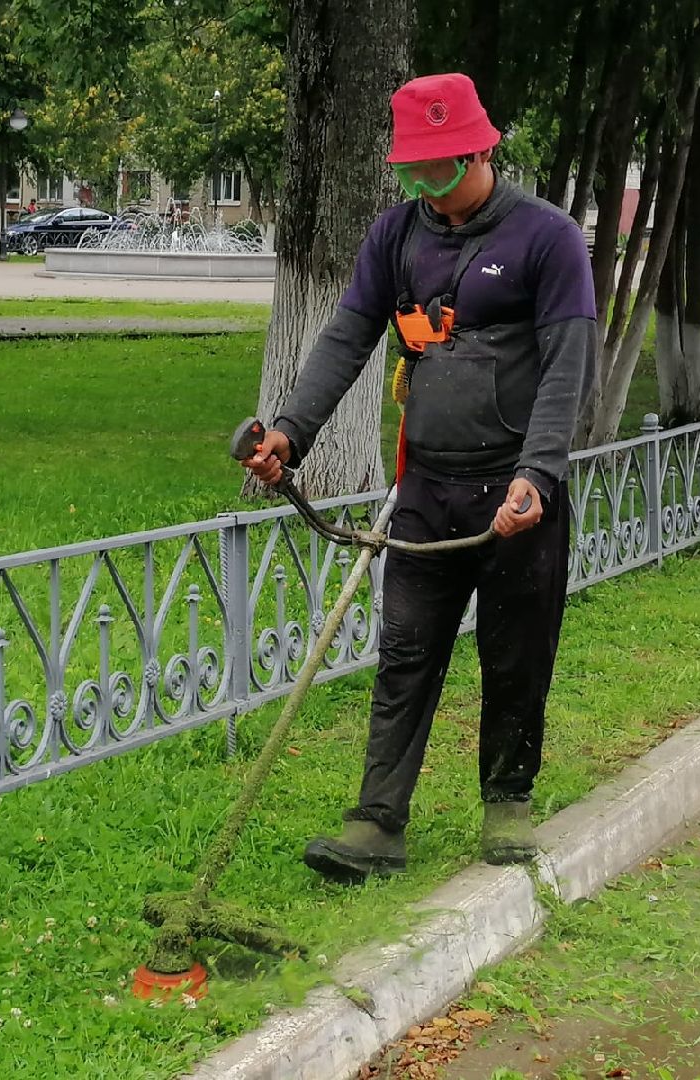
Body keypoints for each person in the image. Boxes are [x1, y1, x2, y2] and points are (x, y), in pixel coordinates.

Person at [241, 72, 597, 880]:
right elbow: (345, 337)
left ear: (481, 148)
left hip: (513, 491)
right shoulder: (396, 236)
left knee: (514, 654)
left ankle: (507, 802)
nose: (428, 188)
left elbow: (567, 364)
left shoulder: (546, 237)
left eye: (441, 169)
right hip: (427, 489)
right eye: (414, 173)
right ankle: (376, 823)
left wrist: (537, 476)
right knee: (404, 651)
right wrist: (290, 434)